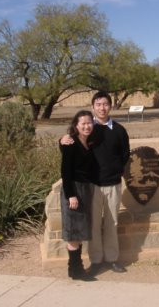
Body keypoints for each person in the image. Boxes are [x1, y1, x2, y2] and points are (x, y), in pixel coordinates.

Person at [60, 91, 130, 274]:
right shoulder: (88, 129)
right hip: (93, 186)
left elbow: (124, 156)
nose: (102, 108)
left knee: (111, 223)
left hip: (113, 184)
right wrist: (61, 140)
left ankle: (112, 258)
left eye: (105, 104)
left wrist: (115, 171)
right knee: (94, 225)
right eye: (98, 104)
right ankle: (96, 260)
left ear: (111, 106)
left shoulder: (120, 131)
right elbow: (72, 143)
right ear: (93, 107)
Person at [60, 110, 96, 281]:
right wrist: (70, 195)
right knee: (73, 231)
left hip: (84, 189)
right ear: (76, 125)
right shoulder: (70, 143)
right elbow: (65, 172)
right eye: (83, 123)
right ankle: (76, 270)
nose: (87, 126)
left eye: (89, 123)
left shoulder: (89, 142)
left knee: (80, 231)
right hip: (73, 189)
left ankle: (74, 269)